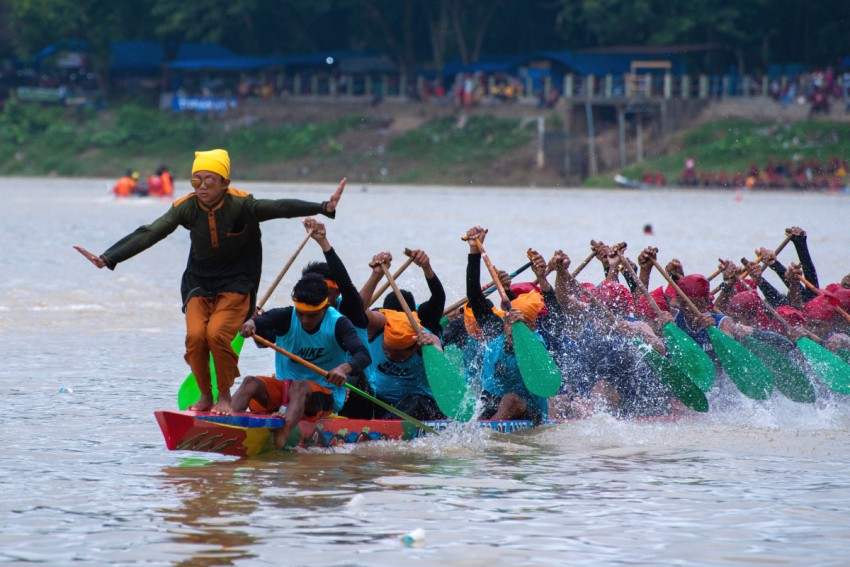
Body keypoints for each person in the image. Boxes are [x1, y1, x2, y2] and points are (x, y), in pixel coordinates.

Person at [74, 148, 345, 414]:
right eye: (196, 181)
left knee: (216, 334)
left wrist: (323, 207)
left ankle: (223, 396)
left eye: (209, 181)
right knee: (195, 338)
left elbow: (280, 207)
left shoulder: (241, 205)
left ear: (224, 183)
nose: (201, 187)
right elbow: (151, 232)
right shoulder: (186, 207)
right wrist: (108, 258)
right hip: (198, 283)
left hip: (237, 284)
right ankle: (206, 396)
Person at [232, 273, 371, 449]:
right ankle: (227, 425)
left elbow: (363, 355)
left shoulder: (339, 323)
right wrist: (251, 322)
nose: (305, 320)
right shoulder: (286, 315)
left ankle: (282, 438)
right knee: (250, 382)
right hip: (285, 391)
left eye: (311, 315)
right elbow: (261, 327)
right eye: (301, 314)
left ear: (325, 307)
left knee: (299, 386)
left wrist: (343, 369)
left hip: (325, 395)